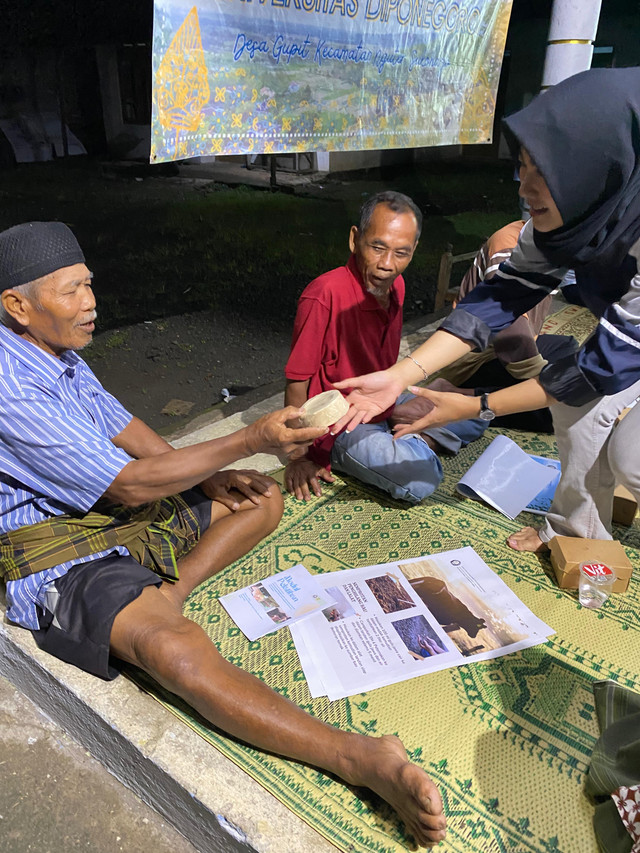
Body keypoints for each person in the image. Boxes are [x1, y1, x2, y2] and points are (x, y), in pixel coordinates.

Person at [0, 221, 446, 847]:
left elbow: (125, 427)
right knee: (174, 654)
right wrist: (248, 439)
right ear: (18, 306)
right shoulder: (7, 383)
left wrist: (213, 476)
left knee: (258, 498)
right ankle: (358, 758)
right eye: (73, 291)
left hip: (123, 513)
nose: (91, 302)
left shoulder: (59, 356)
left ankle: (166, 593)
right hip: (63, 548)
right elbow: (128, 484)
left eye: (90, 285)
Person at [334, 68, 640, 554]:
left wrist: (477, 406)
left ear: (593, 169)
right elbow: (499, 298)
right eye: (523, 166)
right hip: (620, 344)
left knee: (633, 460)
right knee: (574, 410)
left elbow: (599, 368)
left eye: (545, 173)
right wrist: (399, 376)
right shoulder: (572, 218)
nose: (525, 188)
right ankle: (573, 530)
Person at [284, 190, 486, 504]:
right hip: (338, 423)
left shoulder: (397, 287)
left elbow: (386, 368)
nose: (387, 264)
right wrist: (299, 455)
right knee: (421, 480)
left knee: (478, 412)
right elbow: (298, 381)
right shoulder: (324, 295)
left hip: (381, 399)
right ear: (354, 239)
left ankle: (405, 432)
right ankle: (411, 436)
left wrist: (392, 406)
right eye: (377, 247)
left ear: (414, 249)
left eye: (401, 253)